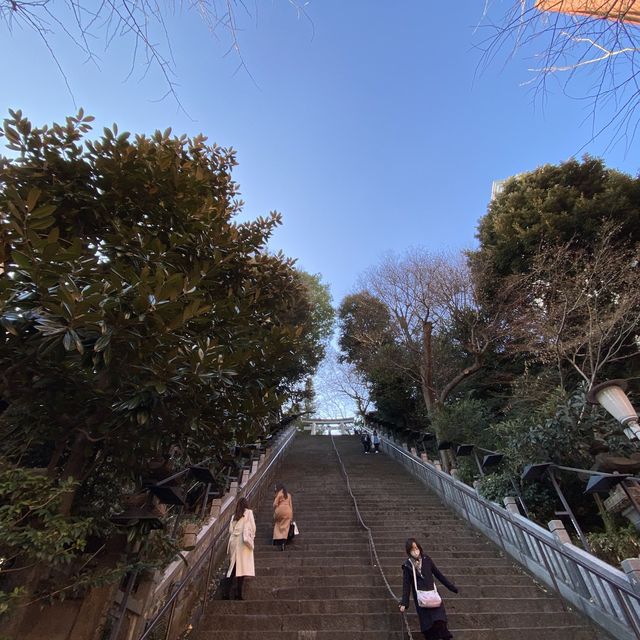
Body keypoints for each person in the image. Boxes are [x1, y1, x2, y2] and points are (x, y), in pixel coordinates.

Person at [399, 537, 458, 639]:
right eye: (412, 550)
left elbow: (438, 574)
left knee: (440, 622)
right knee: (429, 627)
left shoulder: (427, 560)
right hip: (421, 599)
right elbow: (406, 585)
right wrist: (404, 603)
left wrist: (451, 587)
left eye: (416, 548)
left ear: (419, 548)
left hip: (433, 595)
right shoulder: (408, 565)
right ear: (409, 552)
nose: (415, 551)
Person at [223, 496, 255, 600]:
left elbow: (230, 531)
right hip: (243, 542)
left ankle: (226, 593)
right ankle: (238, 593)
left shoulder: (234, 516)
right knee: (242, 567)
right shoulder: (249, 513)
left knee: (232, 567)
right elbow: (253, 527)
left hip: (233, 542)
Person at [272, 482, 293, 551]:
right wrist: (291, 517)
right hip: (288, 511)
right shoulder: (289, 495)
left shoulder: (279, 494)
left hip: (280, 510)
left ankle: (275, 540)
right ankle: (283, 543)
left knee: (277, 523)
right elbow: (291, 506)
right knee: (286, 526)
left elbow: (275, 504)